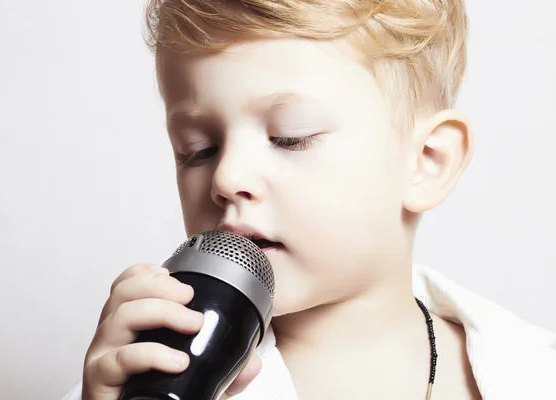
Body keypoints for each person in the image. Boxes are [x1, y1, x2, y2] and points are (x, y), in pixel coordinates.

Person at [63, 1, 556, 399]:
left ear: (427, 160)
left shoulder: (533, 372)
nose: (227, 176)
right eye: (198, 150)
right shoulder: (152, 382)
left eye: (290, 138)